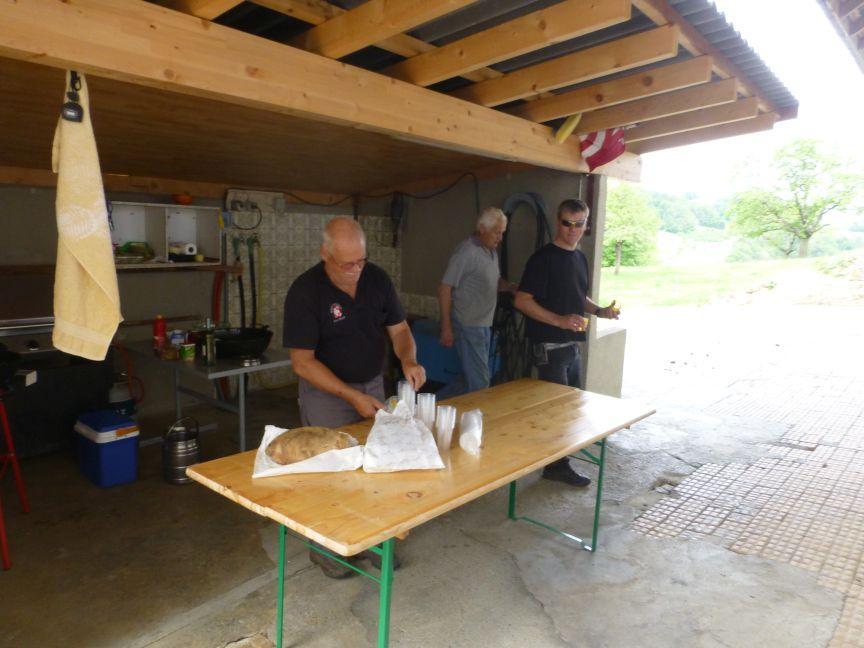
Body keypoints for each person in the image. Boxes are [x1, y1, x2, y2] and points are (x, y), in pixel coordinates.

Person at [283, 216, 425, 578]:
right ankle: (326, 549)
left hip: (371, 384)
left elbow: (400, 329)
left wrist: (408, 359)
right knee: (329, 472)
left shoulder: (376, 279)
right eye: (347, 264)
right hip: (326, 394)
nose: (356, 271)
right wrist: (350, 395)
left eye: (361, 261)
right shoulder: (305, 291)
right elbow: (302, 362)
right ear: (325, 254)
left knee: (375, 465)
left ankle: (373, 539)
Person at [514, 198, 619, 488]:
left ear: (586, 225)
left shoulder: (579, 258)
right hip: (549, 348)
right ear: (557, 222)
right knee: (557, 412)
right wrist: (559, 321)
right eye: (567, 223)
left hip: (572, 347)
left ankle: (558, 462)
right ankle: (556, 466)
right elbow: (522, 300)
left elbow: (577, 296)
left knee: (571, 410)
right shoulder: (542, 259)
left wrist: (600, 311)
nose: (572, 229)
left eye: (579, 224)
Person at [437, 207, 516, 398]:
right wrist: (446, 327)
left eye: (502, 233)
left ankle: (434, 405)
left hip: (483, 325)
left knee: (469, 380)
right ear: (482, 229)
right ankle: (475, 418)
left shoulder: (490, 252)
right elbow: (444, 288)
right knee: (480, 383)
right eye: (496, 232)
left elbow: (493, 281)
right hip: (468, 325)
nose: (500, 238)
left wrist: (511, 287)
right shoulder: (466, 252)